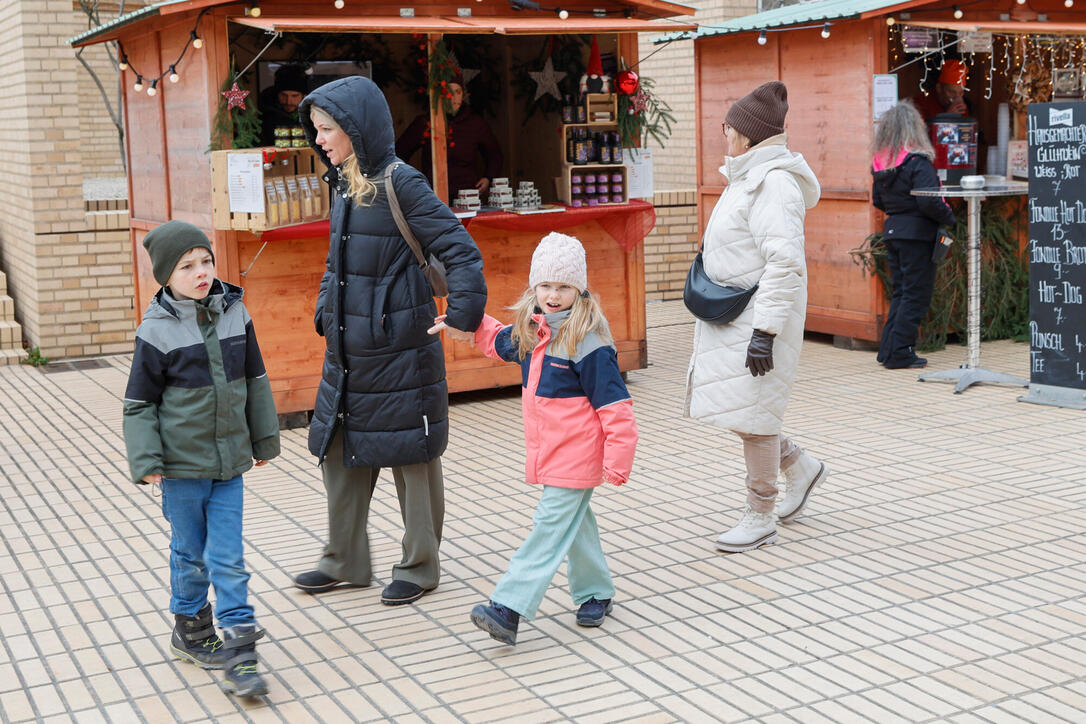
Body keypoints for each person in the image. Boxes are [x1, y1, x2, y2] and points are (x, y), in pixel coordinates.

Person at [292, 76, 487, 606]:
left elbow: (460, 250)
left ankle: (420, 567)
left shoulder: (403, 183)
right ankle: (345, 561)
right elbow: (337, 263)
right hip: (349, 352)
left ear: (356, 129)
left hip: (401, 348)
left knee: (412, 455)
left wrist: (464, 315)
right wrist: (324, 311)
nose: (320, 139)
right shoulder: (344, 183)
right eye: (316, 130)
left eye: (327, 129)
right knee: (337, 449)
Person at [435, 232, 637, 645]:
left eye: (563, 286)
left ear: (578, 288)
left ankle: (507, 608)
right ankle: (596, 592)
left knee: (549, 526)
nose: (554, 295)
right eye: (545, 285)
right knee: (575, 523)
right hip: (553, 451)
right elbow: (500, 342)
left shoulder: (588, 341)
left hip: (578, 453)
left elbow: (616, 408)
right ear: (535, 287)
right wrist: (465, 324)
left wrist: (618, 460)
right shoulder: (534, 330)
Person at [122, 220, 281, 697]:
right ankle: (191, 630)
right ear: (166, 275)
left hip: (229, 465)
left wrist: (263, 440)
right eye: (187, 265)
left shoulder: (236, 313)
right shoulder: (155, 329)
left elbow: (256, 379)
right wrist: (146, 458)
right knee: (192, 554)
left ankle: (240, 650)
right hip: (182, 469)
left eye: (206, 261)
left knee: (228, 556)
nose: (201, 272)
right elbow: (139, 403)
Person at [684, 81, 828, 553]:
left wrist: (765, 333)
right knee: (746, 410)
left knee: (757, 417)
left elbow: (785, 263)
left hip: (758, 318)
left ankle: (760, 514)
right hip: (737, 314)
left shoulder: (774, 183)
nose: (722, 131)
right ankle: (799, 466)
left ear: (747, 136)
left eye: (729, 125)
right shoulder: (748, 177)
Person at [871, 101, 956, 370]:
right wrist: (950, 218)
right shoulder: (917, 162)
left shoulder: (881, 165)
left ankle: (889, 349)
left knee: (901, 292)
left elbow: (878, 200)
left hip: (894, 231)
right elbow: (930, 201)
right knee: (916, 294)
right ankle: (900, 351)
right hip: (918, 234)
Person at [395, 72, 503, 199]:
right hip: (433, 196)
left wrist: (488, 177)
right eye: (448, 92)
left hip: (467, 196)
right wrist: (410, 183)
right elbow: (399, 153)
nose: (453, 98)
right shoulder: (426, 123)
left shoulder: (475, 124)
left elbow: (494, 154)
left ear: (463, 94)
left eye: (458, 92)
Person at [259, 65, 309, 146]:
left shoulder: (313, 116)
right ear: (277, 94)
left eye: (294, 96)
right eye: (283, 95)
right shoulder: (265, 117)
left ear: (304, 96)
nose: (288, 101)